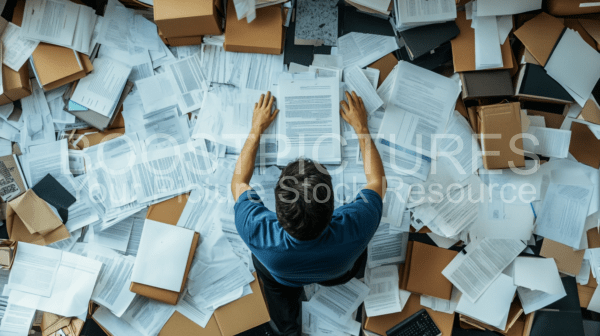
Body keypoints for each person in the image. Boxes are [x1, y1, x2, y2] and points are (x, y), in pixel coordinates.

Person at [231, 90, 386, 336]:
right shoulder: (358, 224)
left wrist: (256, 129)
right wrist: (361, 127)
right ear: (334, 206)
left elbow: (238, 181)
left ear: (277, 210)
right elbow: (377, 181)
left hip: (283, 277)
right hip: (338, 273)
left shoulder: (255, 228)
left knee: (272, 289)